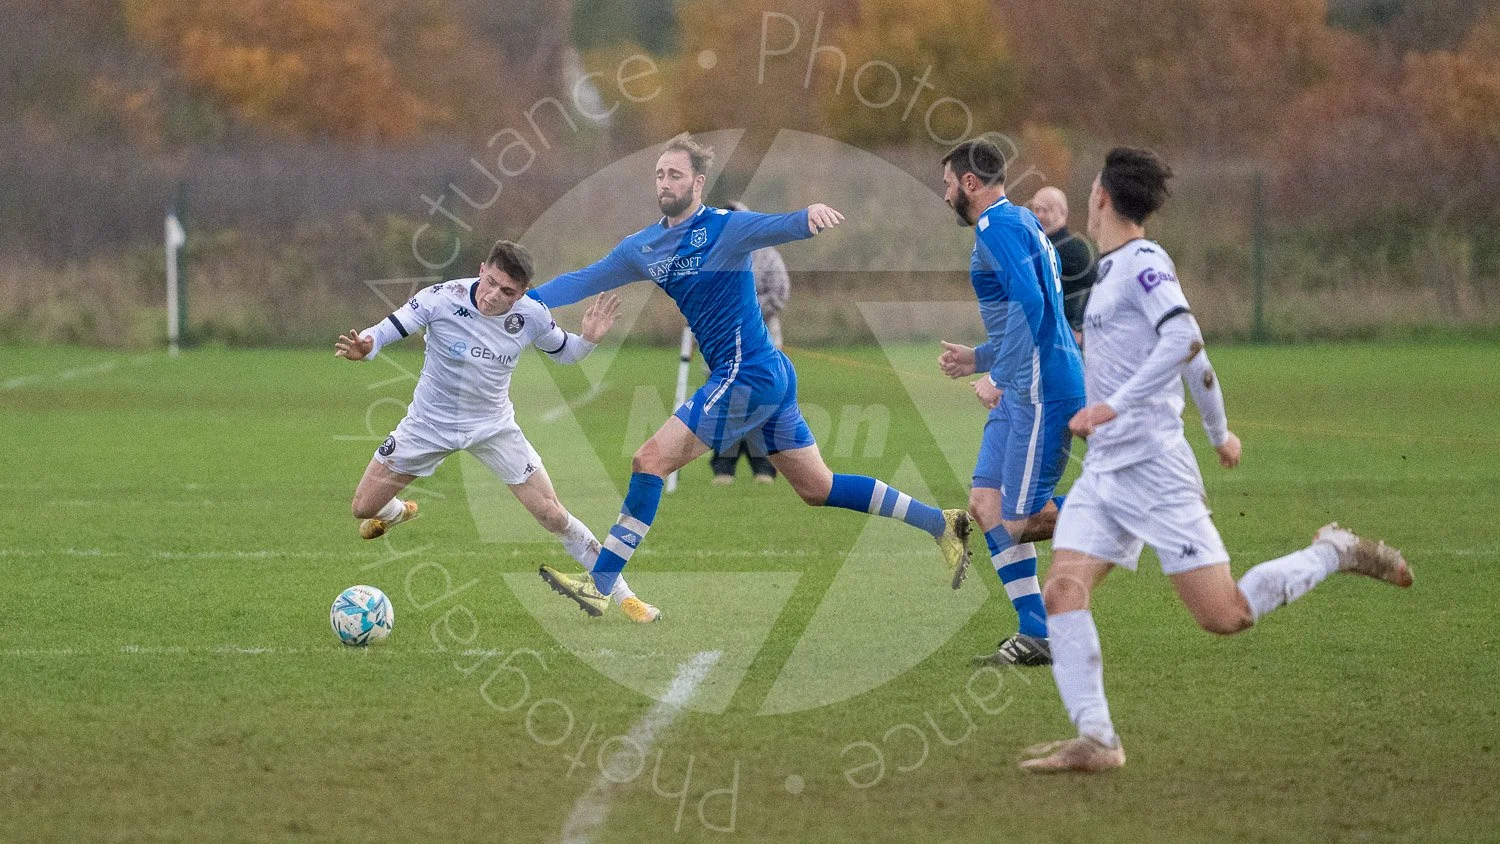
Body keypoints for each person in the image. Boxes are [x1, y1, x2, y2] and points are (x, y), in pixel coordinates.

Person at [1019, 148, 1412, 774]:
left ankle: (1332, 551)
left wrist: (1113, 406)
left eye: (1090, 188)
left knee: (1224, 615)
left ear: (1100, 199)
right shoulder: (1110, 271)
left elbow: (1184, 338)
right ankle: (1097, 739)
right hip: (1106, 475)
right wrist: (1220, 432)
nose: (1087, 198)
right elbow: (1197, 366)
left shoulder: (1145, 263)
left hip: (1154, 470)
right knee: (1064, 590)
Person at [529, 132, 972, 617]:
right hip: (764, 374)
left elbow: (773, 227)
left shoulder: (725, 228)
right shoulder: (644, 247)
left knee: (648, 460)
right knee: (817, 488)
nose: (664, 181)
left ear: (698, 183)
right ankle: (941, 522)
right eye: (658, 173)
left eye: (674, 174)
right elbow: (583, 279)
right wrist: (522, 301)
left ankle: (599, 585)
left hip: (749, 375)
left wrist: (808, 217)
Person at [334, 240, 661, 623]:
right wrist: (367, 345)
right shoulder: (441, 298)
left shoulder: (532, 315)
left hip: (493, 428)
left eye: (507, 291)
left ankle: (623, 597)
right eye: (490, 282)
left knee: (552, 514)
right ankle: (395, 513)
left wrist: (588, 339)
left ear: (521, 293)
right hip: (428, 425)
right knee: (363, 508)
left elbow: (566, 354)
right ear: (481, 269)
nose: (493, 295)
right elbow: (392, 327)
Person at [935, 140, 1086, 667]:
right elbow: (1031, 312)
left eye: (949, 183)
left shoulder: (996, 227)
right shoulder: (1017, 220)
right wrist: (978, 358)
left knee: (1020, 518)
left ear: (970, 184)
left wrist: (998, 375)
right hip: (1026, 381)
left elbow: (1033, 304)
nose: (946, 193)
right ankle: (1036, 633)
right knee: (986, 504)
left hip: (1038, 385)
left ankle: (1124, 507)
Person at [709, 200, 790, 485]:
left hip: (763, 344)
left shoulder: (767, 255)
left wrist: (747, 311)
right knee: (727, 407)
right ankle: (723, 467)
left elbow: (779, 294)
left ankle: (764, 468)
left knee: (762, 407)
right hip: (722, 347)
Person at [1028, 186, 1097, 342]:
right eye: (1036, 209)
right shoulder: (1036, 246)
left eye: (1047, 210)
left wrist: (1080, 329)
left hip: (1062, 339)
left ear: (1063, 212)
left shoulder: (1073, 248)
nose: (1040, 215)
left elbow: (1096, 285)